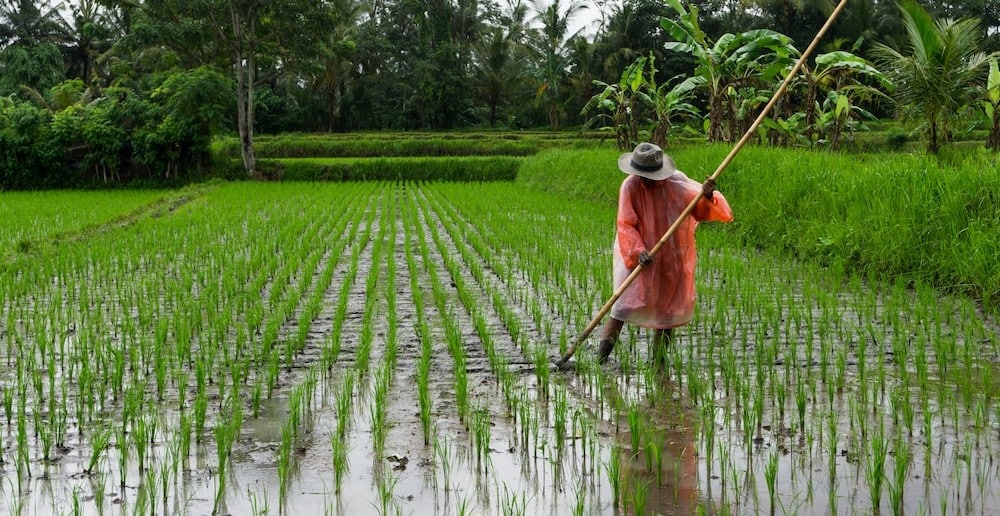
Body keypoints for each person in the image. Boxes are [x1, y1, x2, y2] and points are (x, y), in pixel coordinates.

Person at [597, 142, 733, 365]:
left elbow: (699, 211)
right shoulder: (630, 186)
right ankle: (600, 359)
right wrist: (639, 251)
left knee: (668, 310)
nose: (645, 180)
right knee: (622, 306)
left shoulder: (677, 182)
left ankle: (658, 361)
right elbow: (626, 224)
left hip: (672, 253)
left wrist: (707, 196)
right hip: (638, 253)